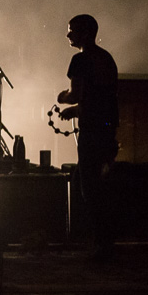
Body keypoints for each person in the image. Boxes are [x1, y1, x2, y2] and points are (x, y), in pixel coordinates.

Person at [56, 15, 119, 259]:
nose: (68, 35)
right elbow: (100, 97)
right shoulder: (106, 58)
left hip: (92, 128)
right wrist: (77, 109)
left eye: (71, 31)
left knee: (89, 186)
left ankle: (102, 243)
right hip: (107, 124)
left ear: (84, 33)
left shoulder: (79, 60)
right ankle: (103, 239)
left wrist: (64, 98)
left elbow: (77, 94)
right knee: (97, 181)